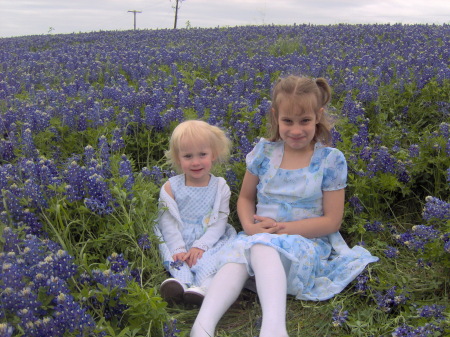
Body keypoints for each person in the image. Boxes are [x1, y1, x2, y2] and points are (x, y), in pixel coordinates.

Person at [191, 75, 378, 336]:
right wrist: (249, 226)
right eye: (287, 121)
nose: (296, 130)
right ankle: (202, 328)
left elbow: (331, 221)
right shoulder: (264, 152)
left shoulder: (330, 160)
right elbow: (246, 198)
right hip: (258, 238)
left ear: (318, 116)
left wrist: (279, 230)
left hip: (304, 245)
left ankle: (274, 328)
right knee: (238, 257)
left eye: (305, 121)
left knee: (260, 247)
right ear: (275, 117)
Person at [155, 120, 237, 306]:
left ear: (213, 154)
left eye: (202, 154)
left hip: (209, 239)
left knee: (210, 260)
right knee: (177, 260)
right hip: (179, 237)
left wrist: (201, 246)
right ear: (178, 158)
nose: (196, 162)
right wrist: (177, 247)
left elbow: (219, 223)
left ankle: (204, 288)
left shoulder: (220, 187)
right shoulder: (170, 187)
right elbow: (166, 222)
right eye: (188, 156)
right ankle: (180, 286)